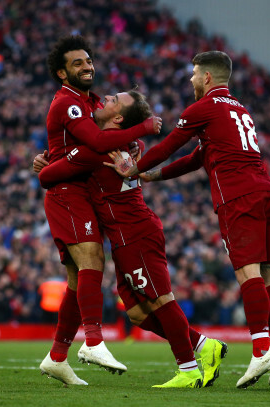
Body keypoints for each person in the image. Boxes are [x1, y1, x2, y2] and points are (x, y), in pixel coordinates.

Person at [105, 51, 270, 389]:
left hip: (239, 198)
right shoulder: (239, 110)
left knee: (248, 273)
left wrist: (137, 168)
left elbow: (171, 145)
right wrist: (155, 176)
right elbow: (197, 158)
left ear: (207, 78)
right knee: (269, 276)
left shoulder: (203, 108)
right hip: (267, 192)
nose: (190, 81)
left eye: (193, 75)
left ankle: (261, 350)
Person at [35, 90, 228, 388]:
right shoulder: (123, 144)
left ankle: (188, 369)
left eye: (112, 100)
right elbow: (126, 144)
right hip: (124, 238)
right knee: (138, 314)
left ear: (118, 117)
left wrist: (45, 164)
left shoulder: (97, 150)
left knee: (162, 300)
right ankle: (204, 345)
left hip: (136, 233)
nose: (104, 99)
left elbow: (47, 178)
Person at [37, 35, 162, 382]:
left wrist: (133, 142)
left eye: (89, 60)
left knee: (79, 279)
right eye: (78, 63)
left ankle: (57, 356)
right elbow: (94, 141)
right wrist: (143, 130)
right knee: (93, 259)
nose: (87, 66)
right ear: (62, 73)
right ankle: (93, 340)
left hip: (79, 189)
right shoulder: (67, 102)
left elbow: (104, 135)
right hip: (66, 191)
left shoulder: (89, 101)